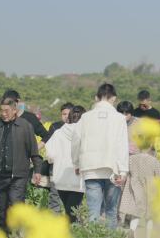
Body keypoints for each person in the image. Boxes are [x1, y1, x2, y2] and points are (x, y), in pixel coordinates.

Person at [0, 97, 42, 231]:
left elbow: (34, 152)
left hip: (17, 176)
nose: (3, 113)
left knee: (15, 206)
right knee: (1, 211)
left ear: (14, 110)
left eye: (6, 111)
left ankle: (17, 234)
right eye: (1, 110)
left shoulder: (25, 126)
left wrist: (37, 171)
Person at [71, 83, 129, 229]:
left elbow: (76, 141)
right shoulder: (119, 118)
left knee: (93, 212)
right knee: (111, 210)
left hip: (90, 168)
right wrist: (123, 171)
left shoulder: (85, 117)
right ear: (114, 98)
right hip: (112, 169)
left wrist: (77, 163)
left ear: (96, 98)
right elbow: (122, 145)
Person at [45, 105, 86, 223]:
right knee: (73, 212)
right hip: (77, 179)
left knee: (69, 211)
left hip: (60, 178)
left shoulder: (58, 133)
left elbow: (50, 156)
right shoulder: (85, 134)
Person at [46, 102, 74, 213]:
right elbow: (48, 144)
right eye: (64, 114)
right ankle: (54, 221)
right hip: (56, 166)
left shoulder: (78, 127)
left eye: (69, 114)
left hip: (71, 167)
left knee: (72, 195)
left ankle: (72, 222)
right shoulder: (55, 127)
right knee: (54, 195)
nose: (66, 116)